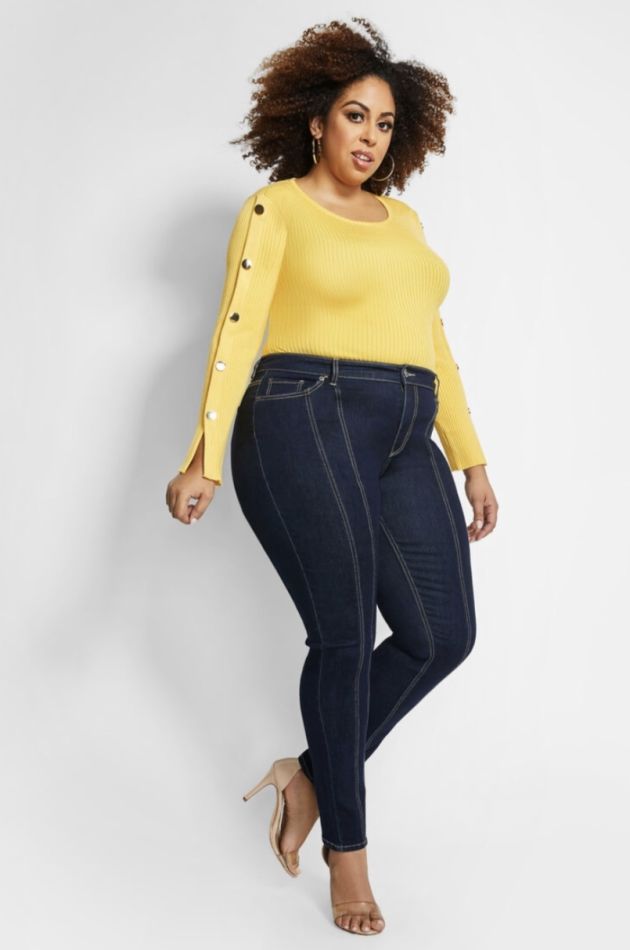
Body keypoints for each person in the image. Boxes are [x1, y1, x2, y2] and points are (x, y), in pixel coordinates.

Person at [166, 17, 499, 937]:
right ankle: (348, 857)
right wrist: (202, 456)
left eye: (385, 124)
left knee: (442, 635)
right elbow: (237, 328)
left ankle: (307, 778)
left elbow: (433, 344)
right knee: (346, 637)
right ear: (316, 120)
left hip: (407, 427)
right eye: (355, 116)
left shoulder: (406, 223)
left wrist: (470, 456)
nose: (369, 137)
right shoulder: (275, 209)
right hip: (304, 412)